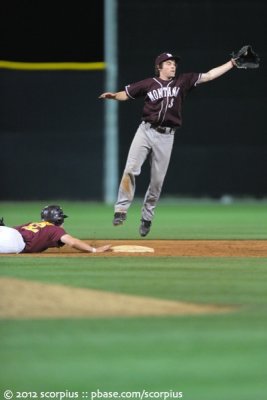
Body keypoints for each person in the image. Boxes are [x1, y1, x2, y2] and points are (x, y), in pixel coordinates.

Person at [99, 51, 237, 237]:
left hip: (166, 136)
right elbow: (128, 93)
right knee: (131, 169)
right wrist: (114, 96)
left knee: (157, 181)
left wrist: (232, 63)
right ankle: (121, 211)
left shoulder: (184, 81)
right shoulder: (149, 83)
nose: (173, 66)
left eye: (174, 63)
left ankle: (147, 218)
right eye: (169, 63)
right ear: (159, 67)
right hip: (145, 131)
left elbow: (210, 75)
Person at [0, 205, 111, 254]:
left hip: (8, 232)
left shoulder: (32, 224)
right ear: (58, 220)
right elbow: (72, 242)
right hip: (15, 243)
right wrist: (94, 250)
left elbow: (11, 230)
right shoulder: (54, 229)